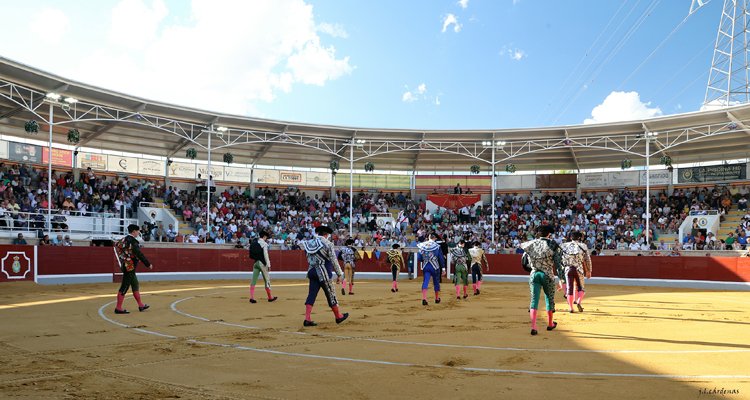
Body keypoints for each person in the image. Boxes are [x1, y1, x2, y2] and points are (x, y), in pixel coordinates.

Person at [302, 226, 348, 327]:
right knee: (331, 294)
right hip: (323, 273)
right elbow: (333, 260)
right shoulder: (328, 244)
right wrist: (340, 274)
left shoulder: (309, 243)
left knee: (312, 294)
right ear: (326, 234)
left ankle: (307, 318)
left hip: (311, 271)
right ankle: (338, 316)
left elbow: (308, 257)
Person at [521, 225, 561, 336]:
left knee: (534, 300)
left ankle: (533, 327)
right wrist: (561, 279)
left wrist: (532, 268)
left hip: (534, 275)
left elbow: (524, 262)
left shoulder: (530, 244)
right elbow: (558, 264)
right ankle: (550, 324)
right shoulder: (552, 245)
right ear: (549, 234)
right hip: (547, 275)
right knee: (549, 299)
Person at [113, 224, 153, 314]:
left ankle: (141, 305)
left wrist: (124, 256)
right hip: (129, 266)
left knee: (135, 284)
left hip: (125, 264)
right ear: (134, 231)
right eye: (138, 231)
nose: (139, 232)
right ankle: (118, 308)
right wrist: (148, 264)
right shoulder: (133, 241)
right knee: (125, 286)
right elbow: (139, 254)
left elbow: (117, 245)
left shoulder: (124, 239)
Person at [560, 231, 592, 313]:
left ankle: (571, 308)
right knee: (581, 287)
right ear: (580, 238)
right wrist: (588, 270)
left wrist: (562, 270)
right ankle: (578, 301)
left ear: (571, 237)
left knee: (570, 288)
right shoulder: (583, 246)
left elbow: (560, 258)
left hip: (568, 269)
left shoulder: (564, 246)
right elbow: (587, 260)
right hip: (579, 270)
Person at [249, 230, 277, 304]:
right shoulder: (264, 244)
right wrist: (268, 265)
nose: (266, 239)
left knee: (253, 280)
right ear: (264, 236)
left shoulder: (255, 243)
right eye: (266, 237)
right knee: (267, 280)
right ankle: (270, 297)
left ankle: (252, 297)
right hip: (262, 264)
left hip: (256, 263)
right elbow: (266, 255)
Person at [417, 233, 446, 305]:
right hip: (435, 266)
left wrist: (425, 259)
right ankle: (436, 298)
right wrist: (443, 269)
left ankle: (424, 298)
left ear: (428, 238)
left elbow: (419, 258)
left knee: (425, 281)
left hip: (426, 266)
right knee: (436, 282)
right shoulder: (437, 246)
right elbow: (441, 258)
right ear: (435, 238)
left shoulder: (422, 245)